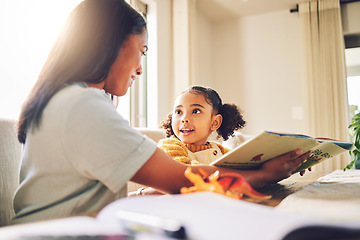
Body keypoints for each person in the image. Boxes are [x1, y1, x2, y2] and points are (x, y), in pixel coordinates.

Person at [13, 0, 311, 224]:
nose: (140, 69)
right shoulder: (81, 105)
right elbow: (182, 178)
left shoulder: (64, 99)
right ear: (110, 44)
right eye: (141, 51)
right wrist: (264, 174)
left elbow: (74, 196)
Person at [158, 85, 246, 165]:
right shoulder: (169, 146)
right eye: (178, 112)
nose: (184, 119)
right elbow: (185, 172)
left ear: (215, 122)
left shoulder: (220, 150)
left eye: (195, 111)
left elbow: (239, 166)